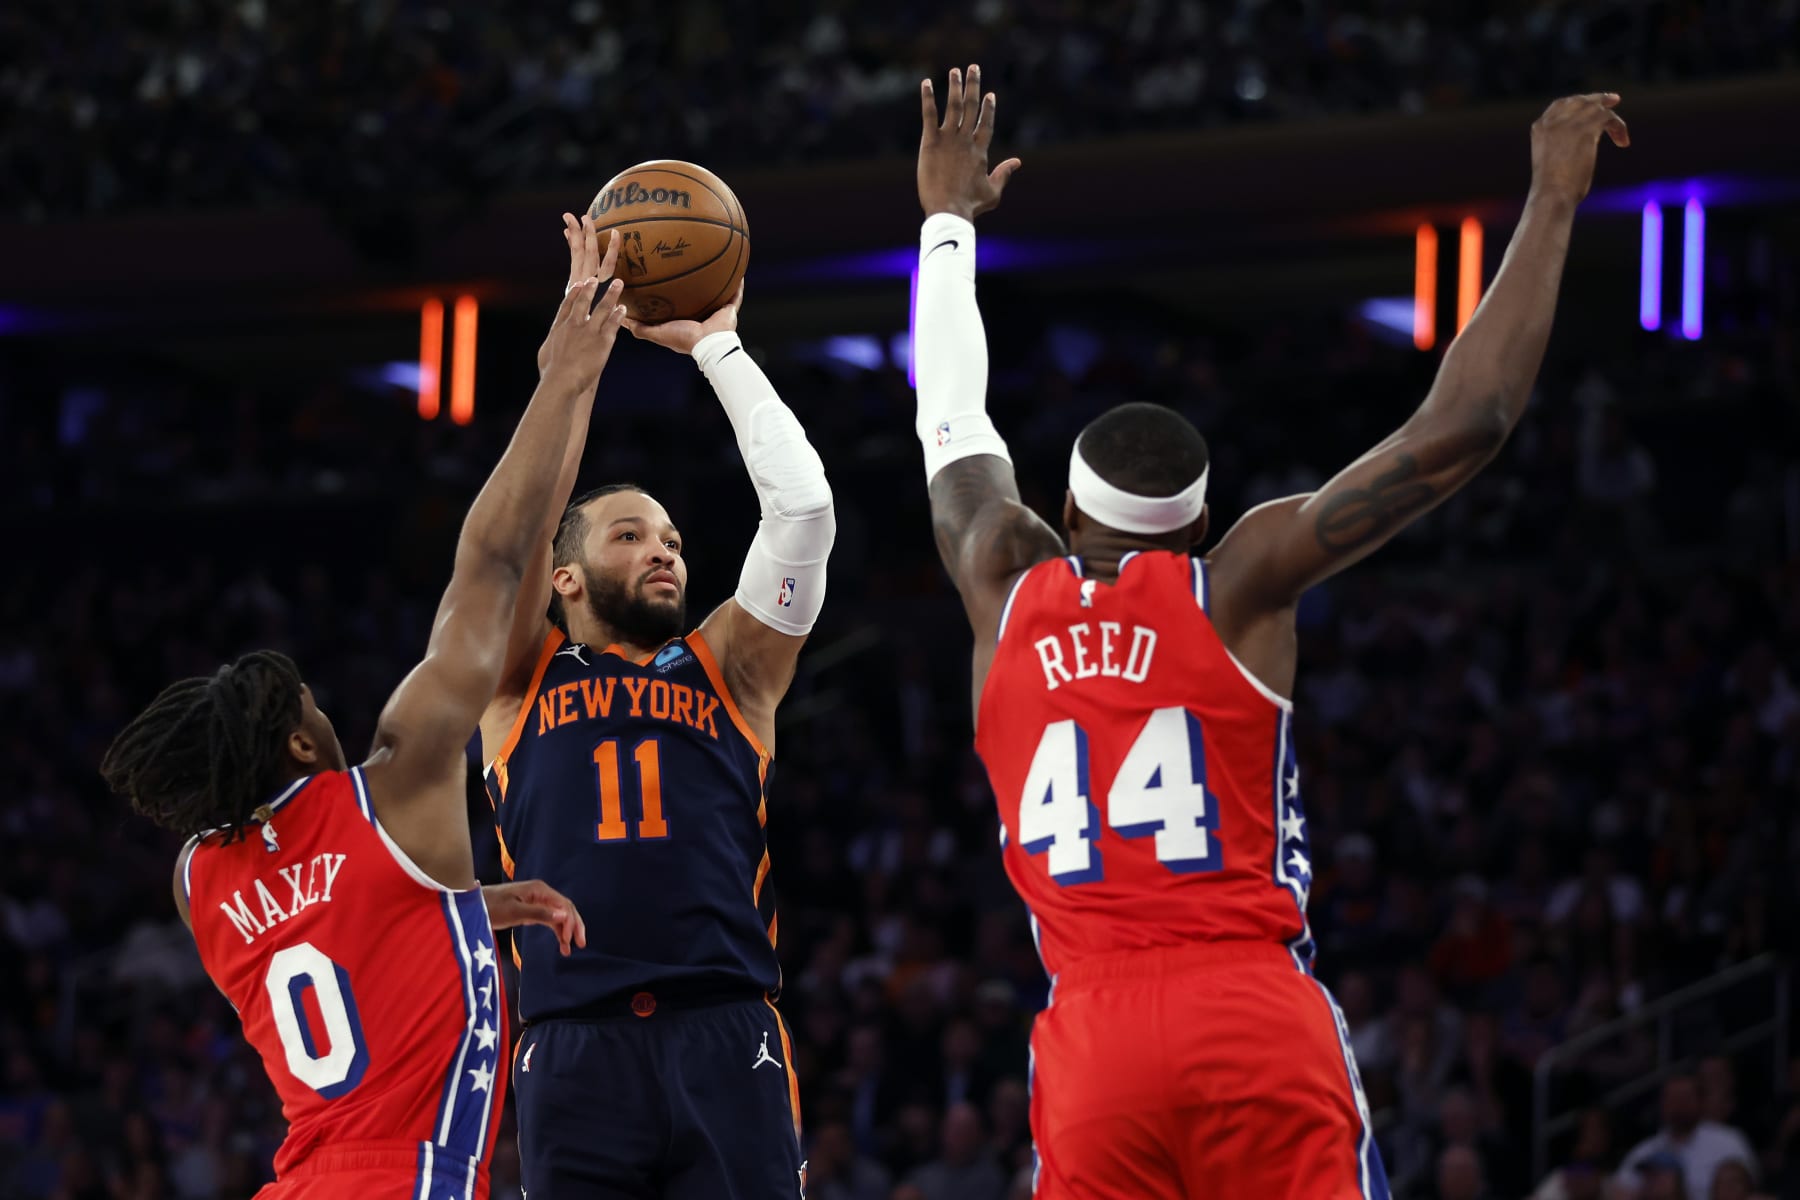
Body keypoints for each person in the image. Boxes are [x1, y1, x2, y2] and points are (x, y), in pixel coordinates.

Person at [908, 61, 1628, 1199]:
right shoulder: (1234, 585)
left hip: (1092, 1037)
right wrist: (1550, 199)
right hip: (1247, 1010)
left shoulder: (1001, 575)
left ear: (1065, 509)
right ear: (1198, 524)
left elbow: (949, 412)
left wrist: (946, 222)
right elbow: (1465, 426)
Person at [96, 228, 630, 1199]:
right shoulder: (396, 782)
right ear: (304, 742)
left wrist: (461, 915)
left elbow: (339, 926)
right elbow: (498, 561)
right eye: (312, 706)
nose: (329, 711)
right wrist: (566, 373)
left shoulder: (197, 880)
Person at [478, 215, 835, 1197]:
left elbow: (802, 511)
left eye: (671, 536)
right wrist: (570, 375)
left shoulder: (730, 664)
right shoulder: (517, 677)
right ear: (566, 578)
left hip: (725, 1030)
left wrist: (717, 343)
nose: (664, 549)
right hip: (572, 1042)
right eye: (631, 536)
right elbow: (502, 544)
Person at [1616, 1076, 1758, 1200]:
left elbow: (1751, 1191)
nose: (1678, 1105)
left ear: (1701, 1100)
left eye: (1685, 1097)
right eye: (1672, 1098)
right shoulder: (1644, 1151)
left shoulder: (1729, 1141)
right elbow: (1620, 1191)